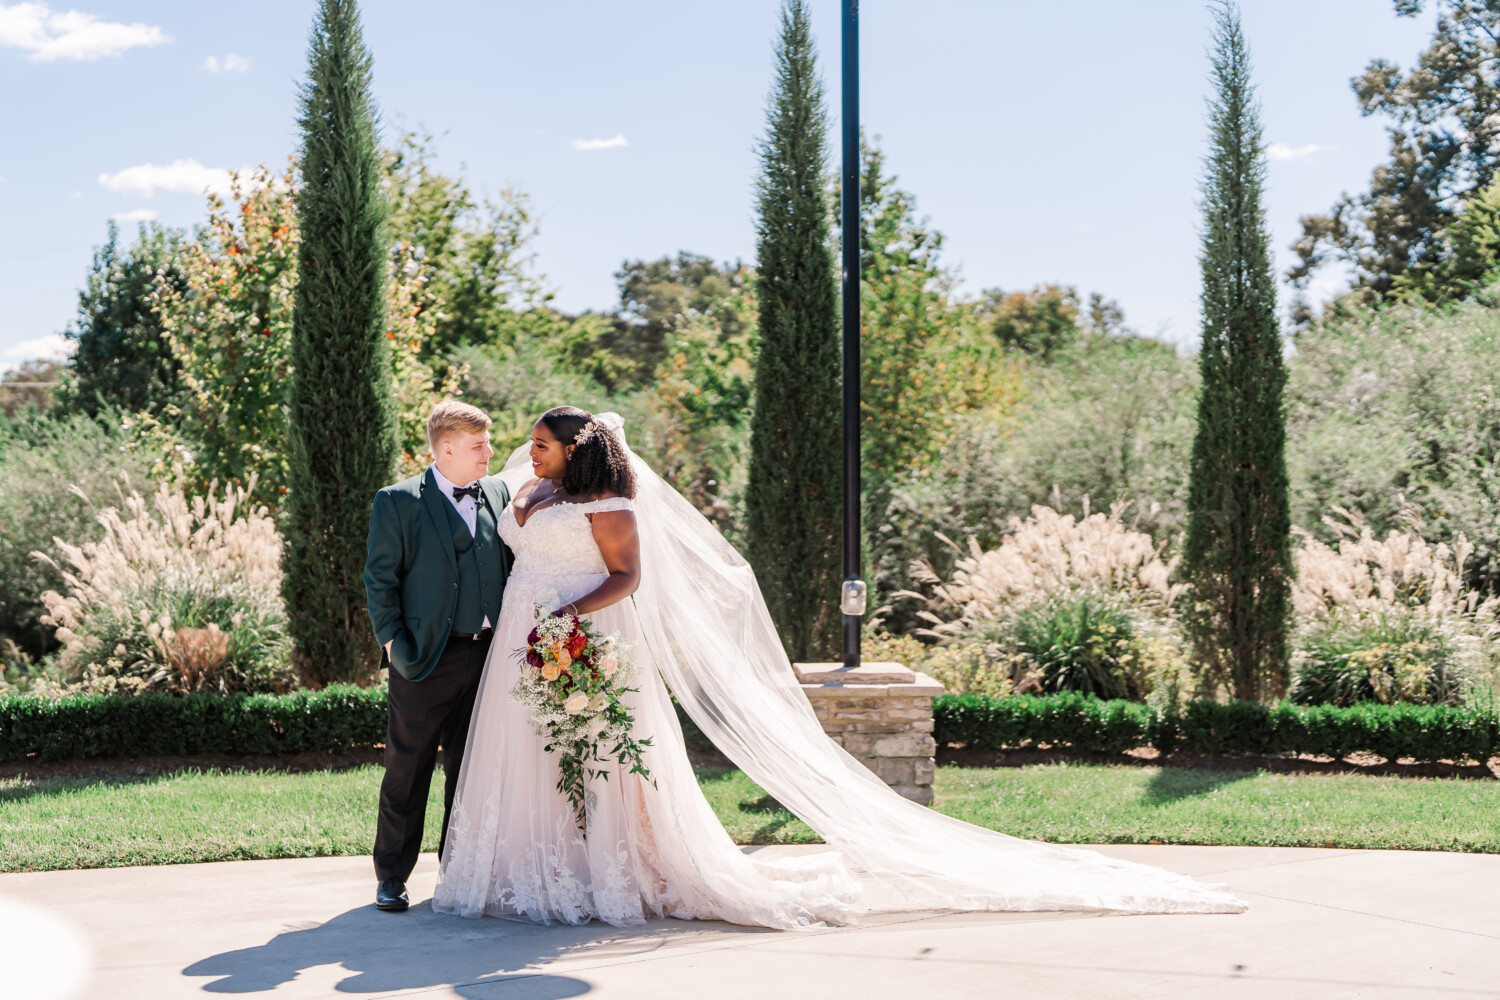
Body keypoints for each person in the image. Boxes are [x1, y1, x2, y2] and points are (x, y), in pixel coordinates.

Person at [433, 407, 1246, 928]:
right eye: (529, 446)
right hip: (523, 640)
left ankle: (605, 878)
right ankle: (525, 873)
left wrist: (568, 622)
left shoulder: (610, 507)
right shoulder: (529, 495)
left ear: (574, 450)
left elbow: (627, 579)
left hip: (590, 639)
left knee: (600, 754)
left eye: (539, 445)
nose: (526, 453)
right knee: (527, 752)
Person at [363, 400, 513, 913]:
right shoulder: (397, 501)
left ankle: (460, 872)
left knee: (472, 771)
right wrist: (394, 647)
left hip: (489, 658)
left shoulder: (497, 491)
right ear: (446, 449)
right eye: (479, 446)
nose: (490, 453)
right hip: (424, 659)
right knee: (408, 769)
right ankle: (391, 876)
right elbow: (379, 581)